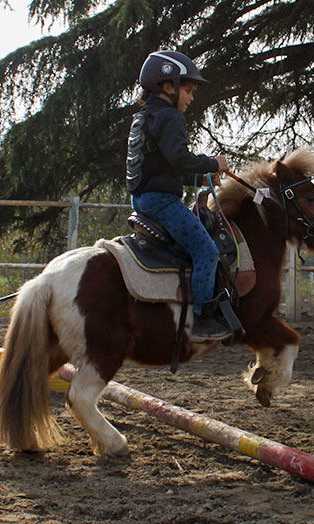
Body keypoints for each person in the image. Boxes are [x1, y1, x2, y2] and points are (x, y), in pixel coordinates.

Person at [126, 50, 232, 342]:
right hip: (162, 203)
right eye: (187, 90)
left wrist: (201, 178)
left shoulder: (146, 117)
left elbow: (166, 168)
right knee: (207, 251)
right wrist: (213, 164)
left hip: (143, 200)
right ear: (168, 86)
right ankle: (199, 319)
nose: (191, 97)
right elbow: (181, 159)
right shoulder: (170, 116)